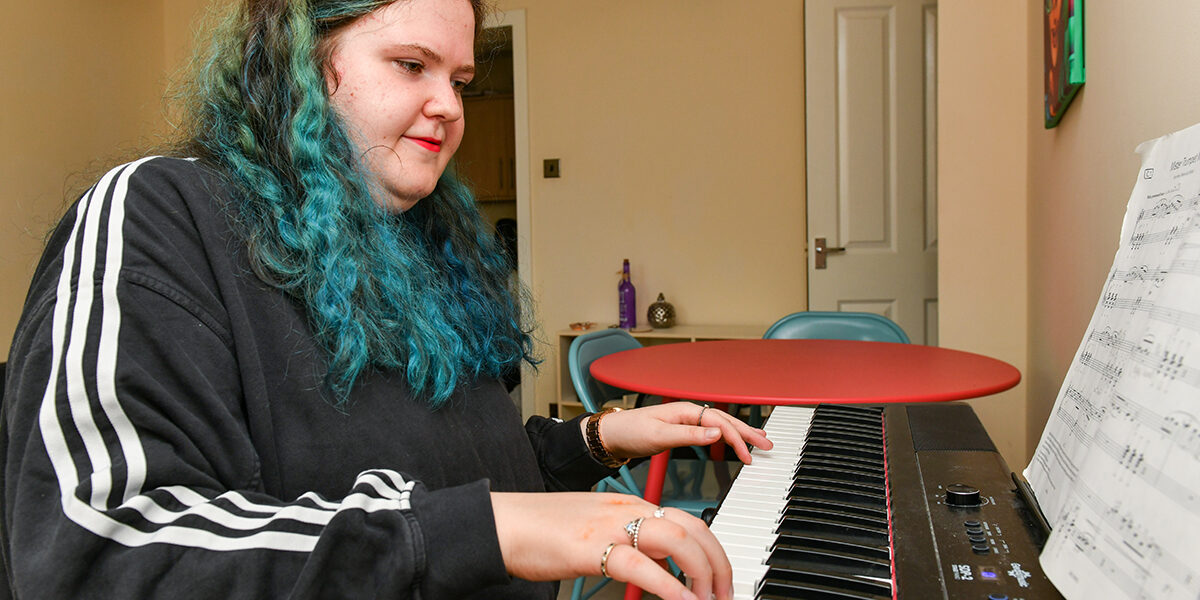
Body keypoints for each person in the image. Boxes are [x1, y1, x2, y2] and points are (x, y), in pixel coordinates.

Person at [1, 1, 771, 599]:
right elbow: (105, 549)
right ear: (302, 60)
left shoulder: (425, 250)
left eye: (461, 81)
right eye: (412, 65)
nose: (449, 106)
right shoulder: (163, 214)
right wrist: (473, 531)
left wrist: (595, 442)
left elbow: (454, 478)